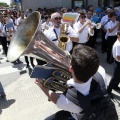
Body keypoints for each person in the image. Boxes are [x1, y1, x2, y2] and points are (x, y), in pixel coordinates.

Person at [35, 44, 107, 120]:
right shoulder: (101, 71)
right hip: (99, 107)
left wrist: (42, 86)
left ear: (71, 69)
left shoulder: (66, 101)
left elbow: (56, 100)